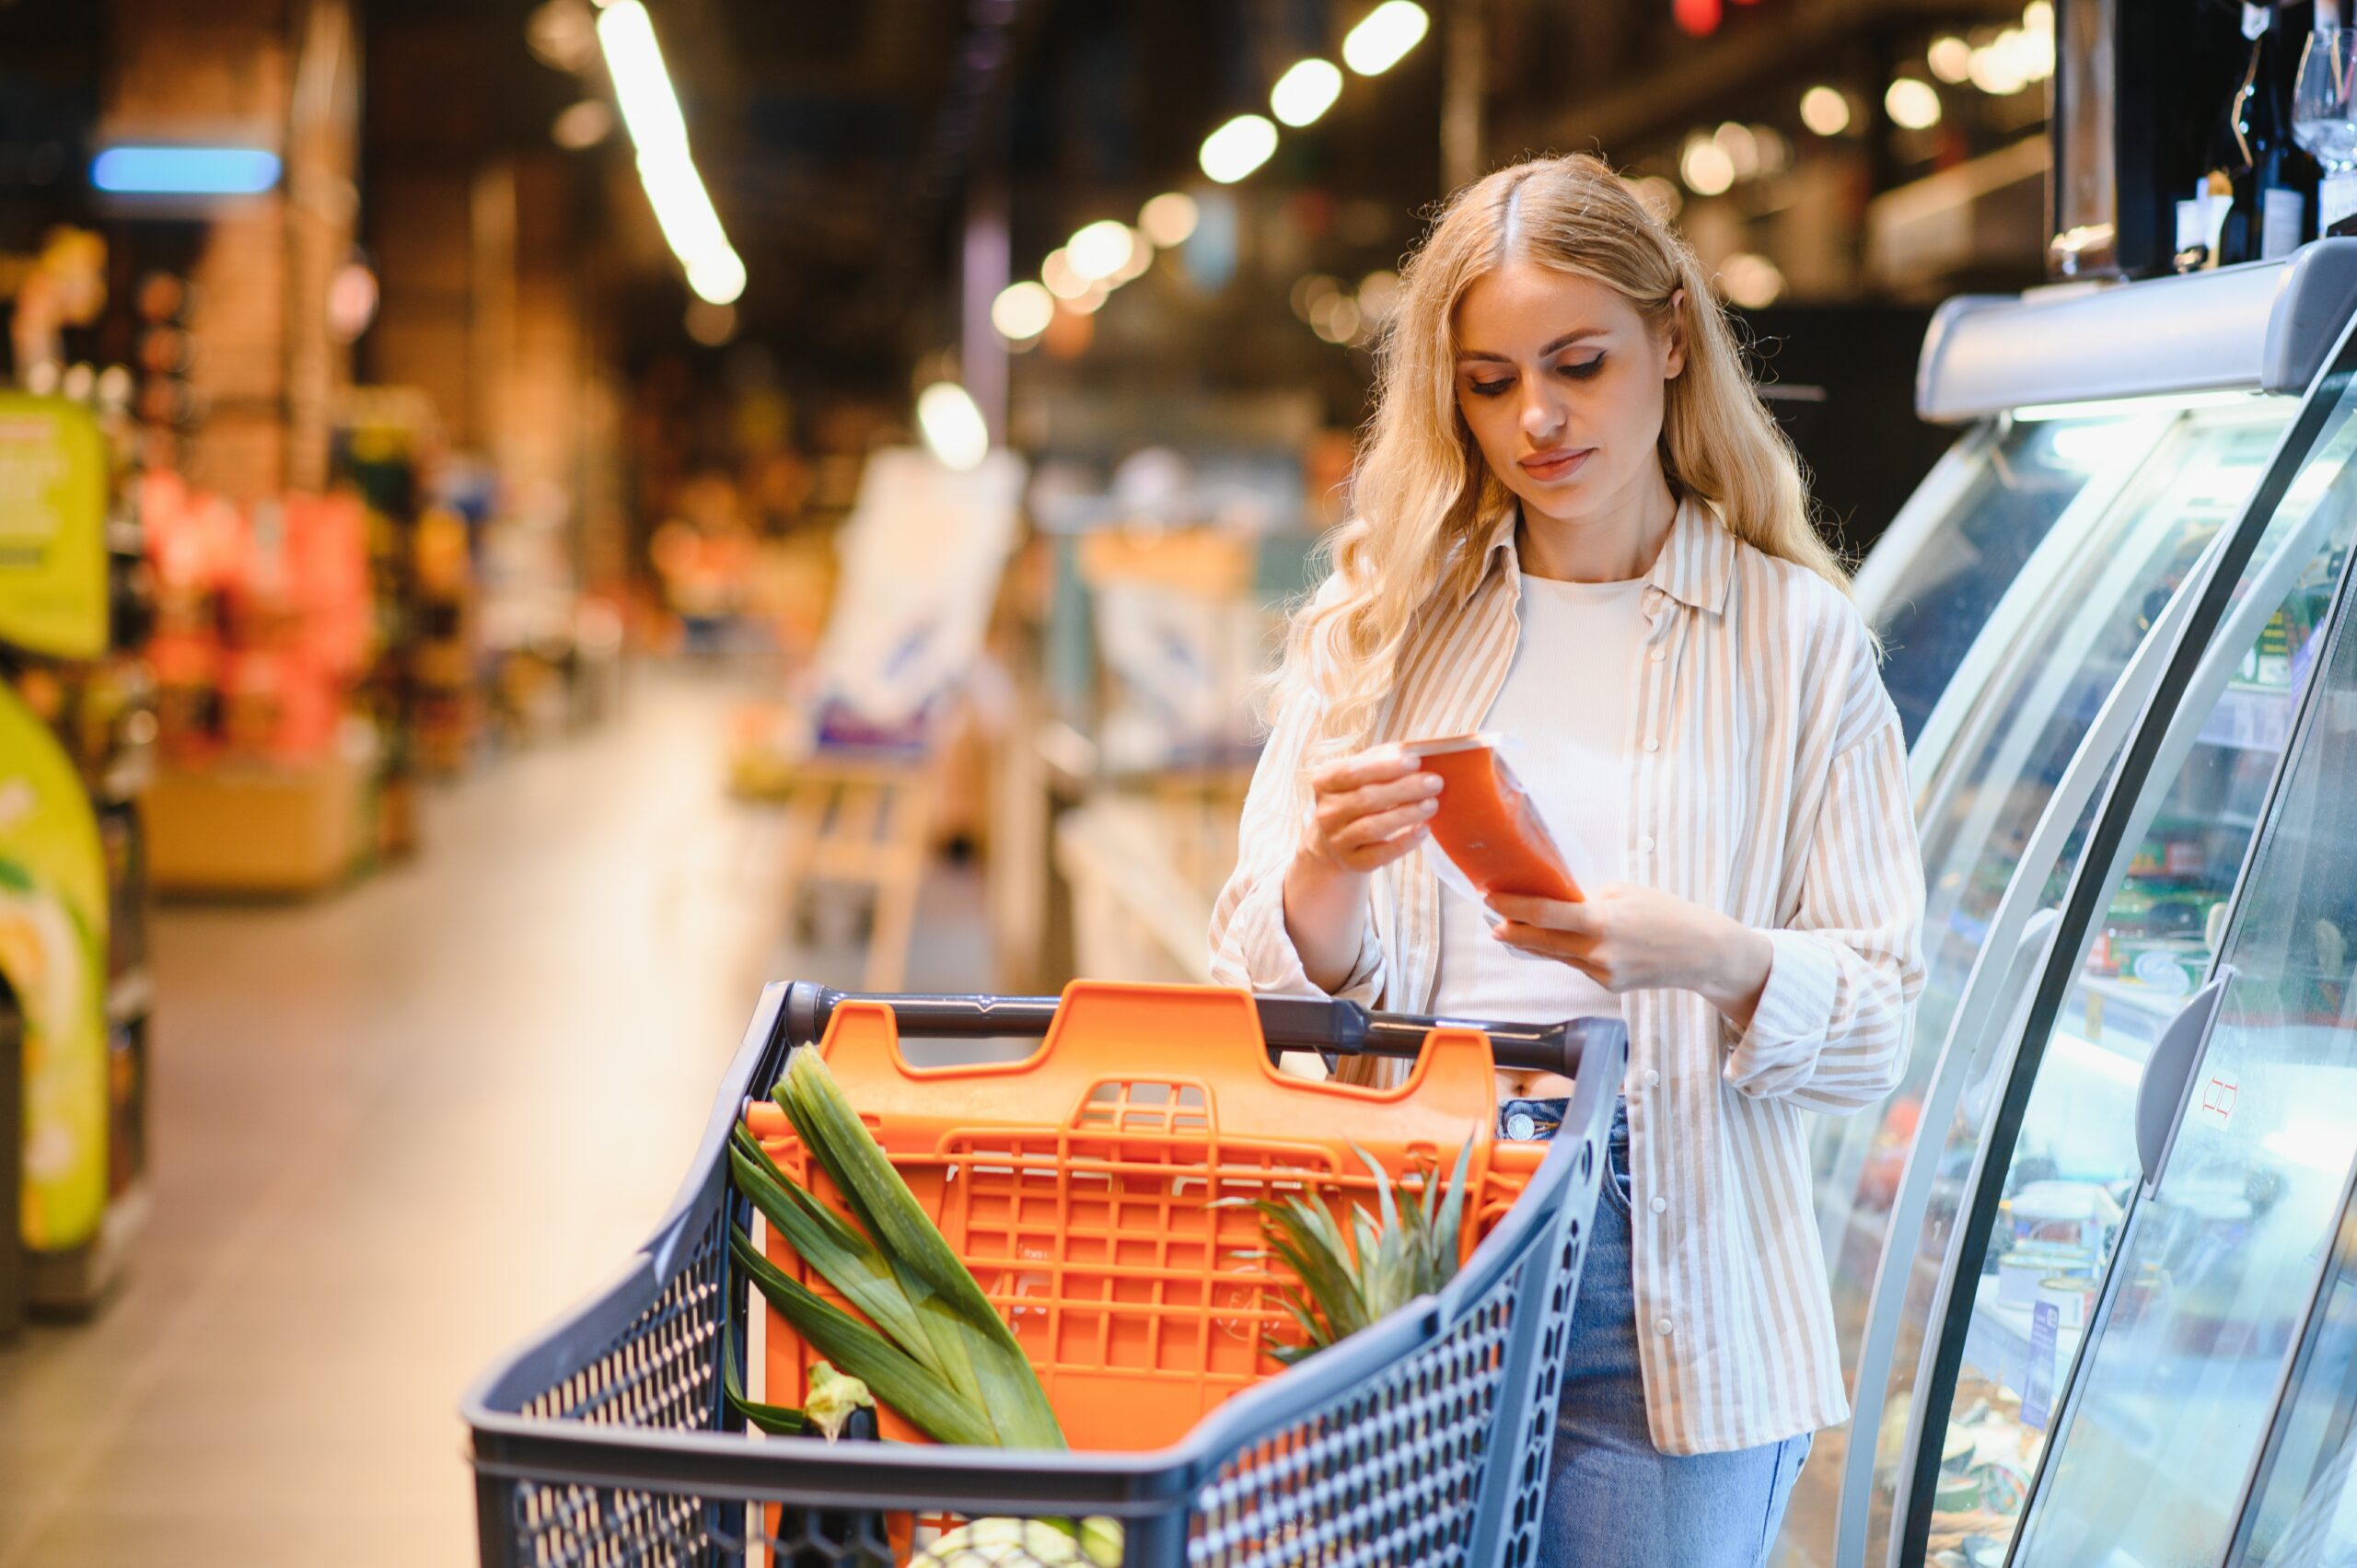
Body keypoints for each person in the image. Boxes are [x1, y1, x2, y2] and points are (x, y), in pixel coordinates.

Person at [1207, 153, 1926, 1566]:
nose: (1535, 417)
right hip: (1405, 1245)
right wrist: (1325, 877)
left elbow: (1880, 1030)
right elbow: (1263, 1005)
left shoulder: (1796, 643)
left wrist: (1712, 958)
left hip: (1671, 1276)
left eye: (1578, 362)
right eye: (1487, 381)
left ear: (1670, 337)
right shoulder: (1384, 629)